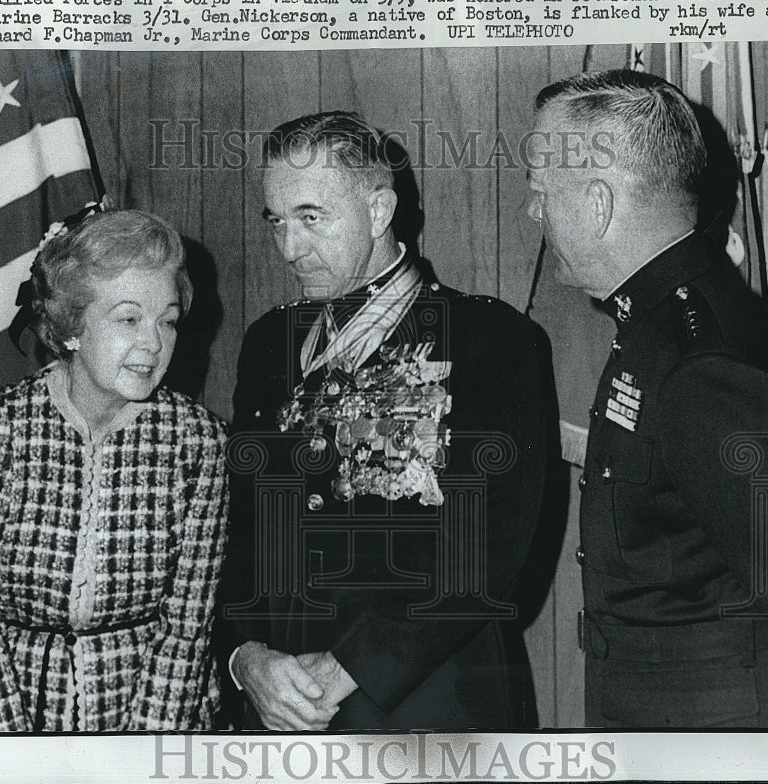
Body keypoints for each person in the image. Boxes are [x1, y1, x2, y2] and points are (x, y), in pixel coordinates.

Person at [218, 111, 557, 730]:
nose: (289, 249)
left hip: (428, 707)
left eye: (311, 219)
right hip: (282, 707)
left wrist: (352, 665)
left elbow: (488, 548)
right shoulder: (270, 343)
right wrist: (246, 656)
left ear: (378, 211)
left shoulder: (490, 340)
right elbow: (238, 524)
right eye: (277, 222)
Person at [525, 69, 768, 727]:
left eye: (540, 193)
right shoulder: (662, 321)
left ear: (599, 204)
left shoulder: (701, 363)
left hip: (717, 725)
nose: (534, 213)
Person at [0, 210, 228, 731]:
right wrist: (15, 756)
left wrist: (136, 758)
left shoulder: (198, 442)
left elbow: (188, 626)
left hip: (156, 711)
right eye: (127, 318)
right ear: (72, 326)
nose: (154, 343)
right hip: (14, 708)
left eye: (166, 319)